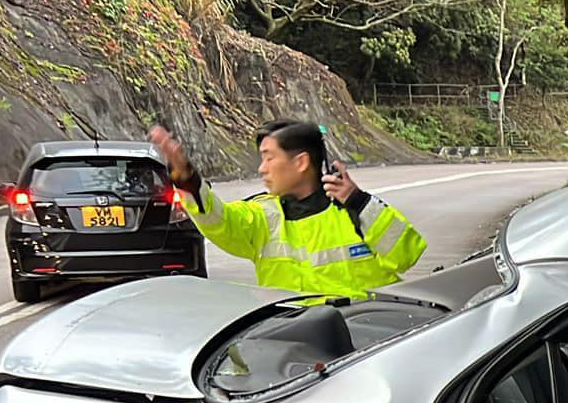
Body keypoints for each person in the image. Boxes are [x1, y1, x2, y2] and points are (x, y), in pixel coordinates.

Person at [146, 121, 425, 296]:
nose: (261, 168)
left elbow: (406, 255)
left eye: (269, 158)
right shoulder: (264, 217)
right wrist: (186, 175)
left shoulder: (354, 210)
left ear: (301, 162)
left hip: (362, 345)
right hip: (287, 348)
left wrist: (359, 202)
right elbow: (219, 219)